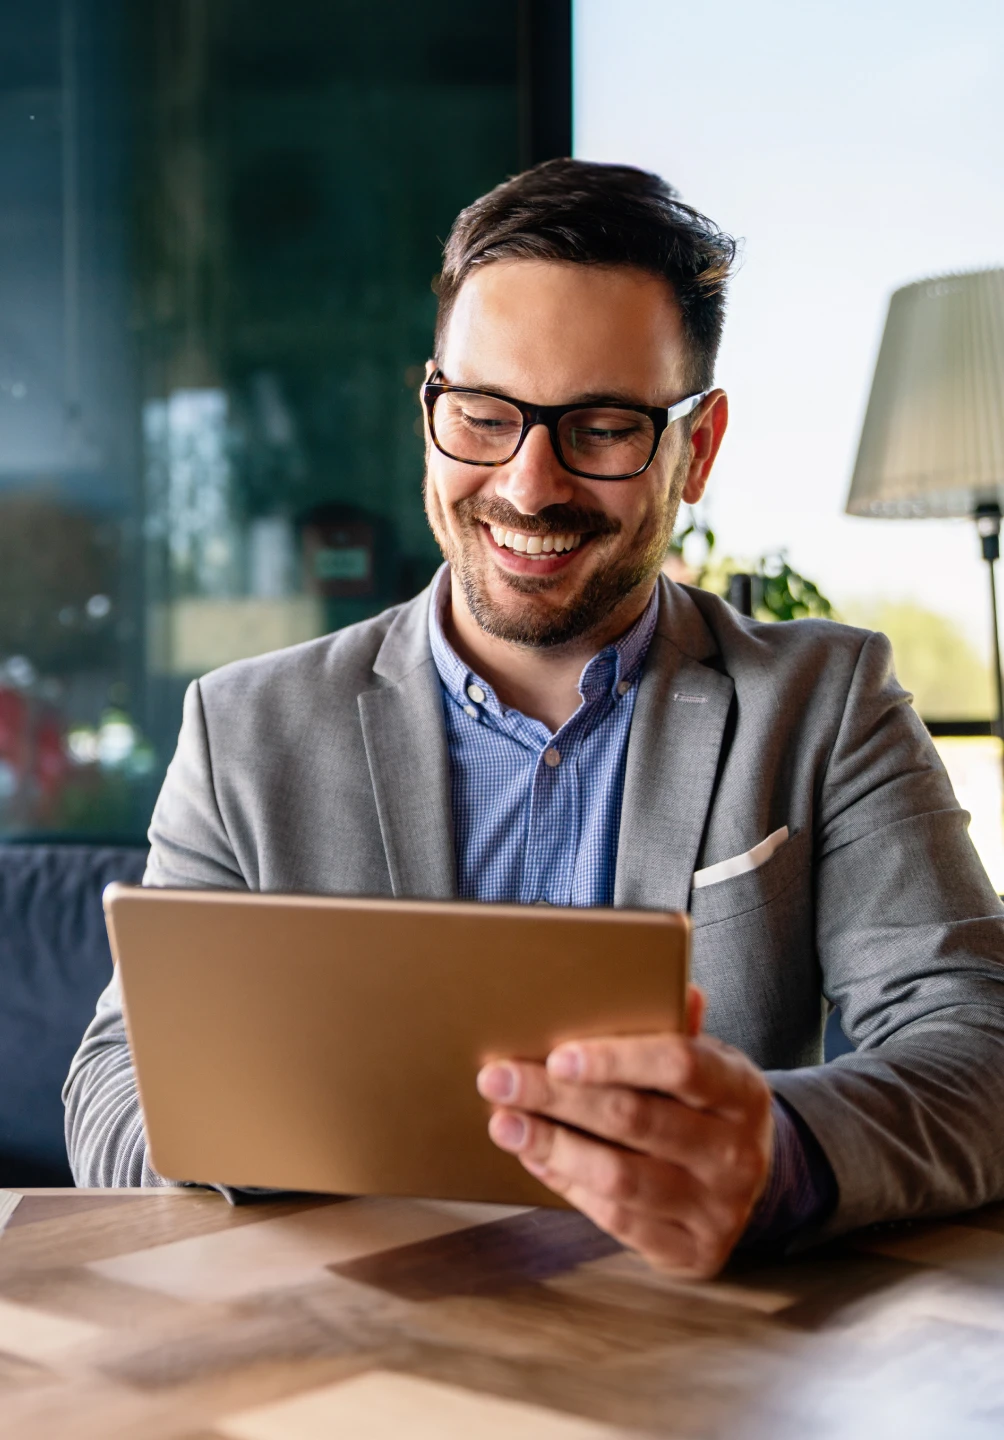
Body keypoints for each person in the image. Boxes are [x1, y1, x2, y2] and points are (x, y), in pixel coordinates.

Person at [65, 159, 1004, 1277]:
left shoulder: (823, 703)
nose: (526, 484)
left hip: (705, 1350)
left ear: (693, 449)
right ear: (431, 415)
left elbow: (981, 1047)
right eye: (485, 415)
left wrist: (780, 1148)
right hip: (343, 1340)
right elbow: (114, 1086)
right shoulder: (243, 729)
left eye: (600, 426)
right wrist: (284, 1142)